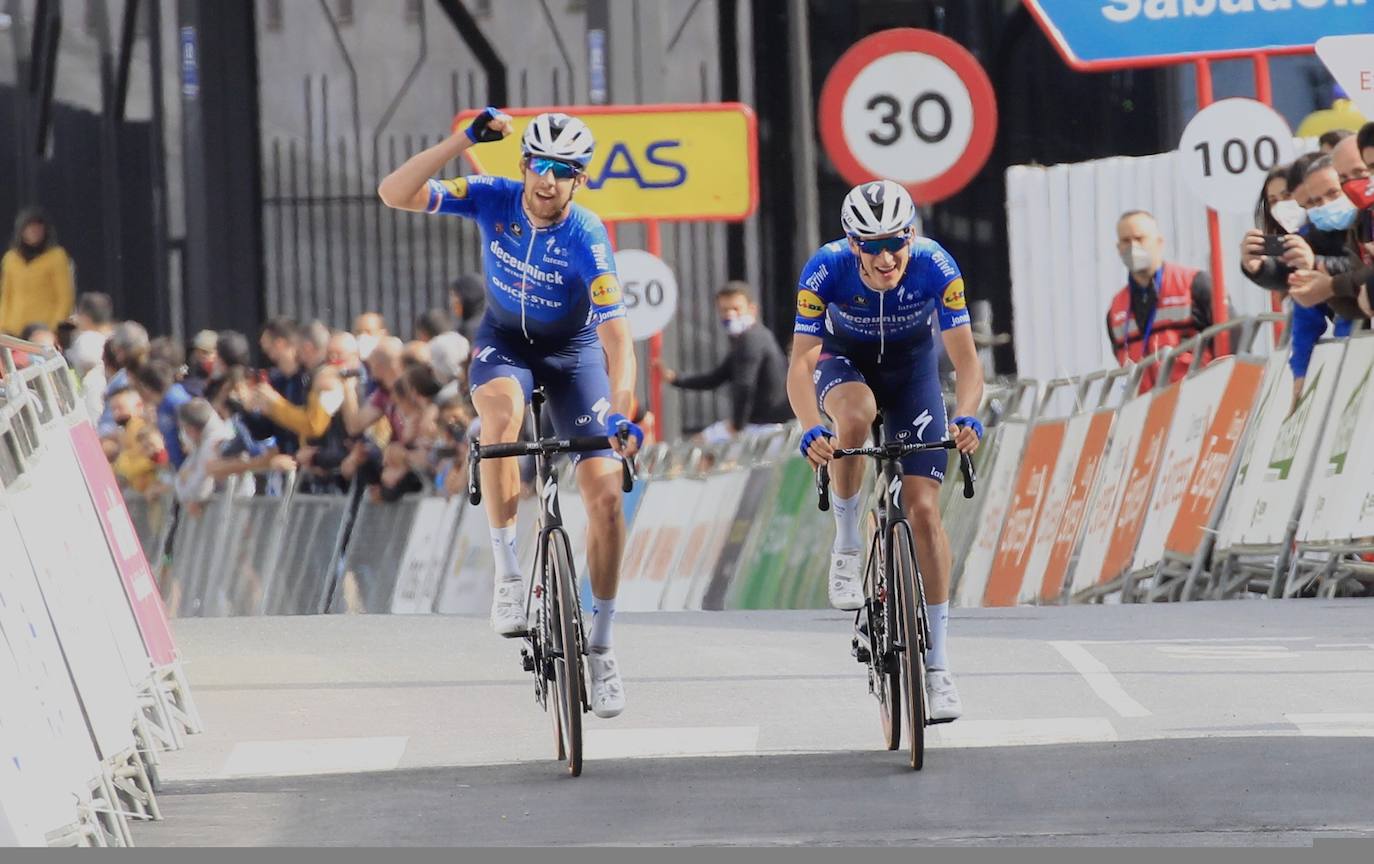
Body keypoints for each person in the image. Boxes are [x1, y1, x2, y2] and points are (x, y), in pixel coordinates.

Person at [379, 106, 642, 719]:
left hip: (573, 355)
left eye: (563, 170)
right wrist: (461, 140)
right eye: (538, 165)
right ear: (523, 165)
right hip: (505, 344)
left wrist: (622, 413)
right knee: (500, 423)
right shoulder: (492, 197)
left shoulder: (587, 235)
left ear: (580, 179)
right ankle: (508, 576)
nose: (547, 180)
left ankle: (602, 647)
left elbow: (619, 340)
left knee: (606, 496)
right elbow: (394, 193)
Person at [786, 180, 984, 723]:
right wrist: (810, 427)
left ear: (910, 235)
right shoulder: (825, 268)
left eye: (896, 241)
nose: (885, 257)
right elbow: (801, 362)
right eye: (871, 246)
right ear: (853, 244)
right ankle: (848, 544)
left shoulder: (936, 265)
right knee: (854, 417)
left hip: (913, 375)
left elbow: (967, 361)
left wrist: (968, 414)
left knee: (923, 512)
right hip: (845, 365)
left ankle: (938, 665)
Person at [664, 281, 791, 444]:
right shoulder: (750, 339)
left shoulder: (751, 340)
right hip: (763, 424)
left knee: (697, 447)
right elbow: (716, 378)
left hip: (765, 426)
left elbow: (745, 385)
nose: (730, 315)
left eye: (736, 309)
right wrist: (675, 379)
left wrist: (737, 425)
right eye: (724, 310)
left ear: (752, 309)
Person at [1105, 210, 1213, 394]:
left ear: (1159, 242)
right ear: (1118, 248)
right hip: (1147, 406)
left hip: (1197, 398)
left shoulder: (1194, 284)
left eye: (1140, 238)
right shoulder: (1115, 311)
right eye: (1126, 241)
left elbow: (1230, 342)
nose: (1133, 246)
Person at [0, 209, 74, 335]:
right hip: (13, 330)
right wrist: (2, 327)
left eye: (38, 227)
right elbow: (6, 296)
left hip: (42, 330)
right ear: (21, 231)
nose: (34, 231)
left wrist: (53, 329)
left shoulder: (56, 256)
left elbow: (64, 298)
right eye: (29, 227)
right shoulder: (11, 258)